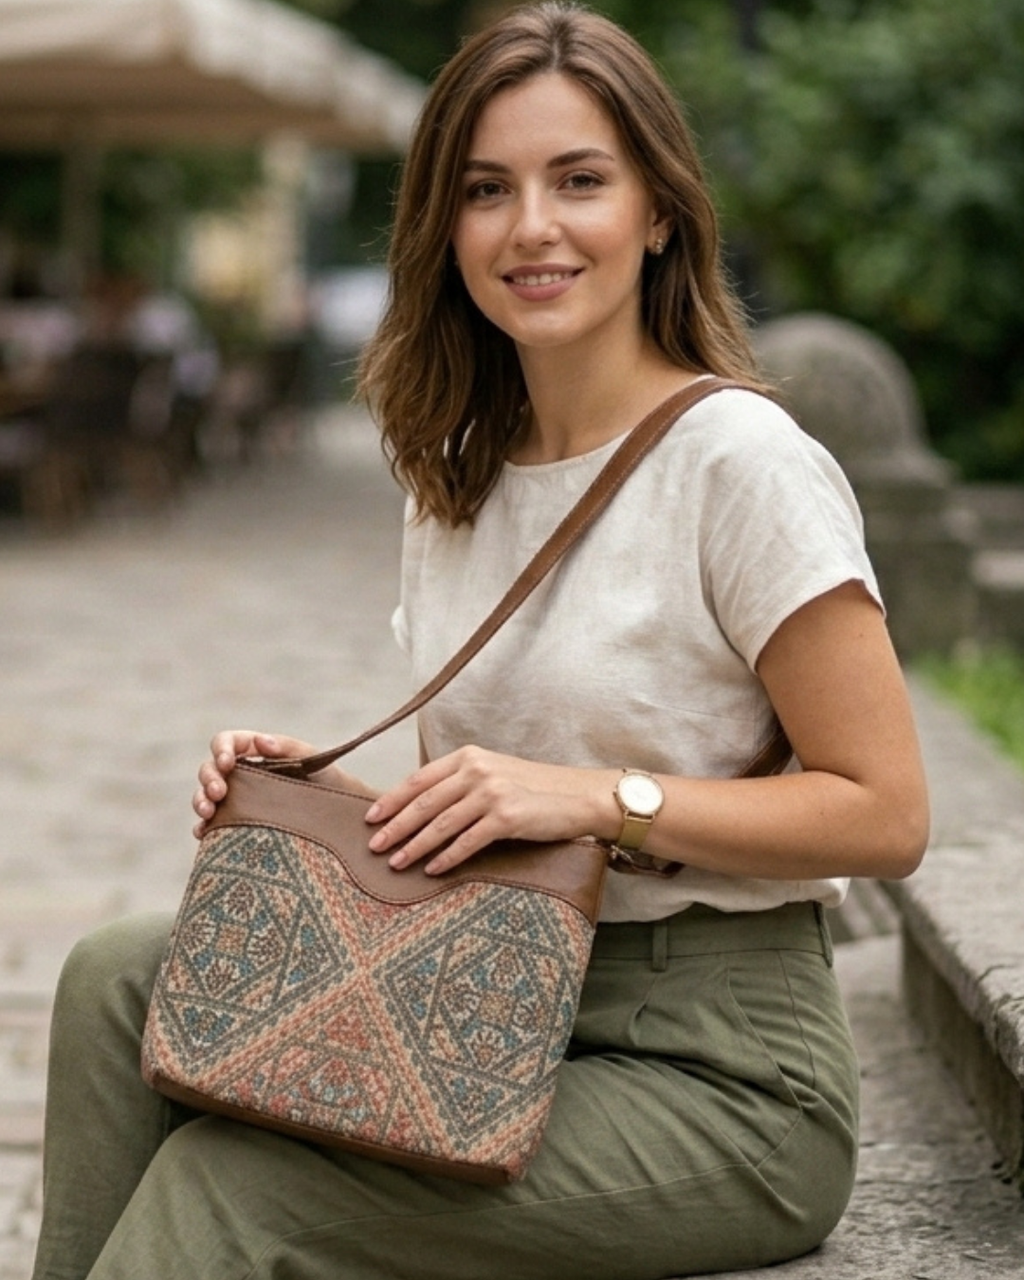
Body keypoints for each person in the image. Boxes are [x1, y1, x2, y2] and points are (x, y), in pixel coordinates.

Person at [31, 4, 929, 1277]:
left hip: (721, 1065)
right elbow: (514, 806)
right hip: (500, 992)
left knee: (239, 1184)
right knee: (118, 979)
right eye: (487, 190)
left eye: (580, 181)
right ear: (444, 229)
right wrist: (338, 807)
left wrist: (593, 797)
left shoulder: (741, 463)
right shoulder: (457, 473)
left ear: (658, 210)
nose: (533, 228)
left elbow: (885, 811)